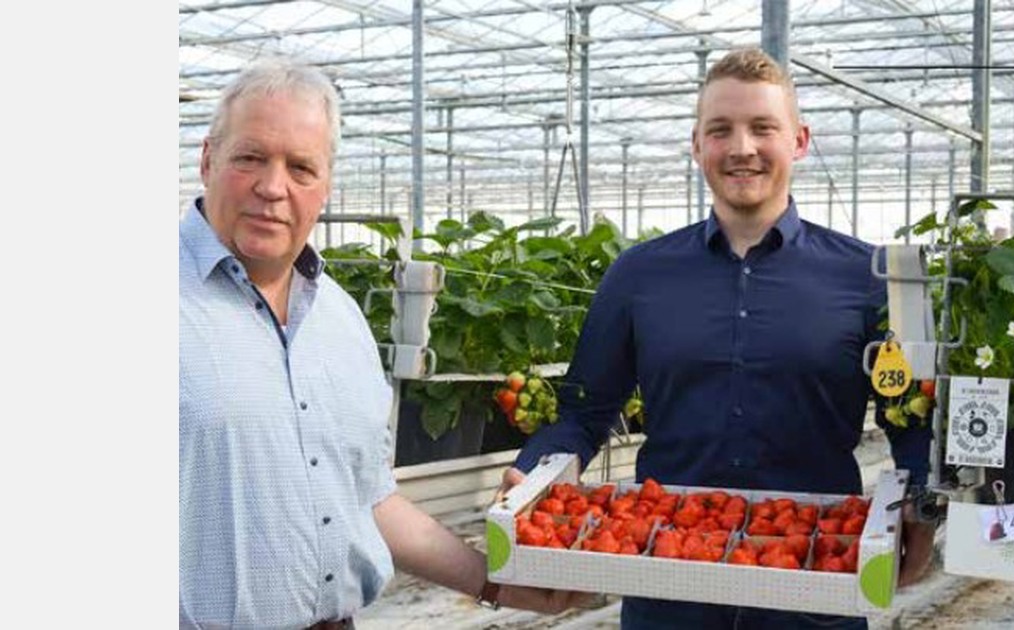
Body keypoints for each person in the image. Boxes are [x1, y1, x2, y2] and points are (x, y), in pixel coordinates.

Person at [499, 48, 936, 629]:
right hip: (666, 585)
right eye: (721, 130)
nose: (742, 148)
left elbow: (911, 419)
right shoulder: (639, 275)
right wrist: (535, 476)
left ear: (799, 140)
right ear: (697, 143)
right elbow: (583, 413)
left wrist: (921, 509)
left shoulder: (872, 279)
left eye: (763, 128)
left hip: (815, 587)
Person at [179, 58, 584, 629]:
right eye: (250, 157)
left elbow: (369, 500)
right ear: (207, 159)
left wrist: (495, 578)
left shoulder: (340, 319)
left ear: (325, 186)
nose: (272, 187)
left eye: (300, 167)